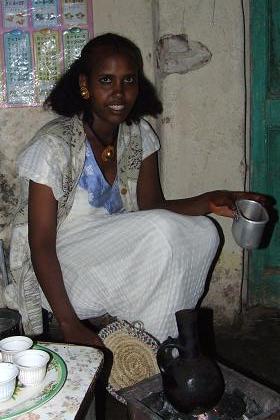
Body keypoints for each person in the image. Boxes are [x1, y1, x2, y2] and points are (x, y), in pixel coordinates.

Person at [8, 33, 266, 348]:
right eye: (106, 80)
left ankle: (152, 345)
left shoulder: (138, 135)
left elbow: (153, 205)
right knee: (161, 231)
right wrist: (69, 324)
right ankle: (158, 351)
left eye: (128, 81)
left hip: (113, 256)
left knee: (204, 232)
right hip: (63, 268)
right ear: (85, 85)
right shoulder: (53, 145)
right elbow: (41, 243)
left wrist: (212, 201)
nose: (119, 93)